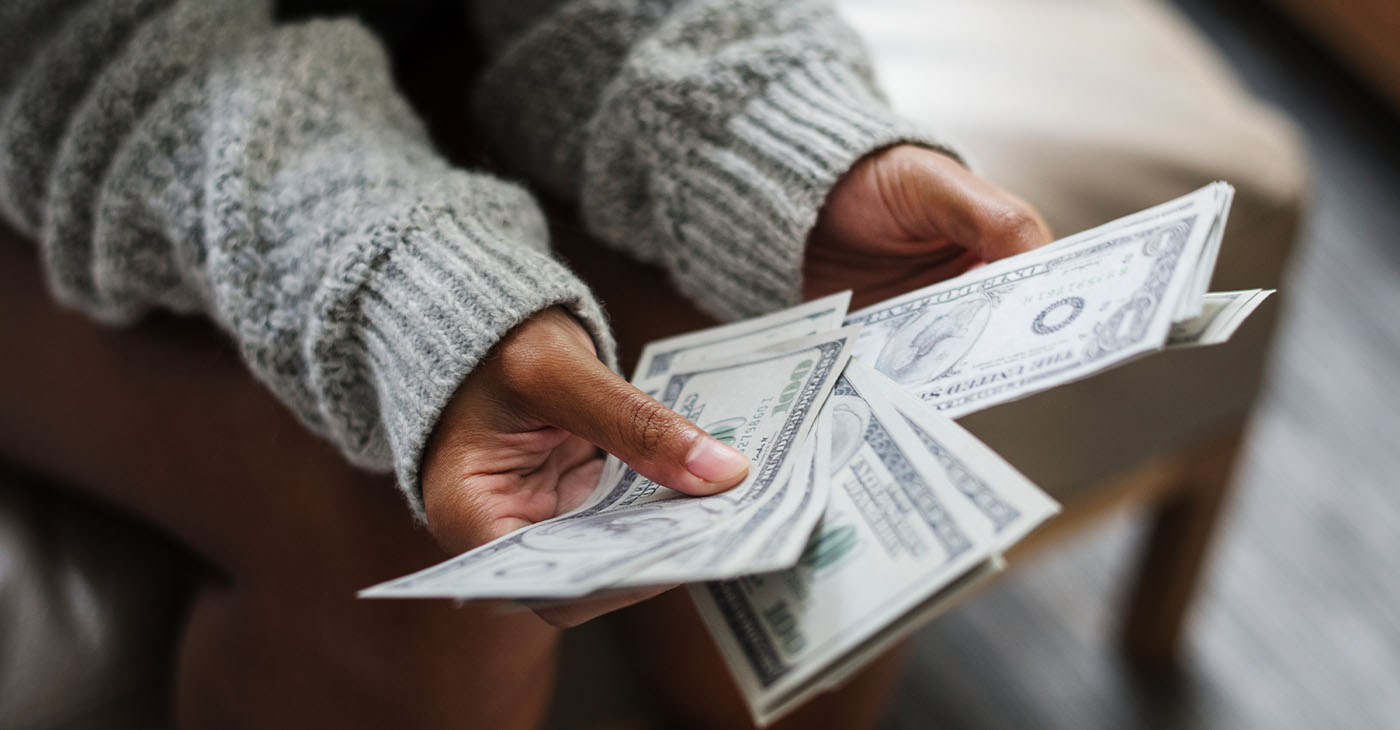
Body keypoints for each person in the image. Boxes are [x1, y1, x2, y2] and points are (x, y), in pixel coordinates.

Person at [0, 0, 1051, 727]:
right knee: (411, 552)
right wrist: (413, 289)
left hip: (432, 45)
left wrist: (770, 136)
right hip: (60, 111)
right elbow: (85, 52)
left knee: (801, 381)